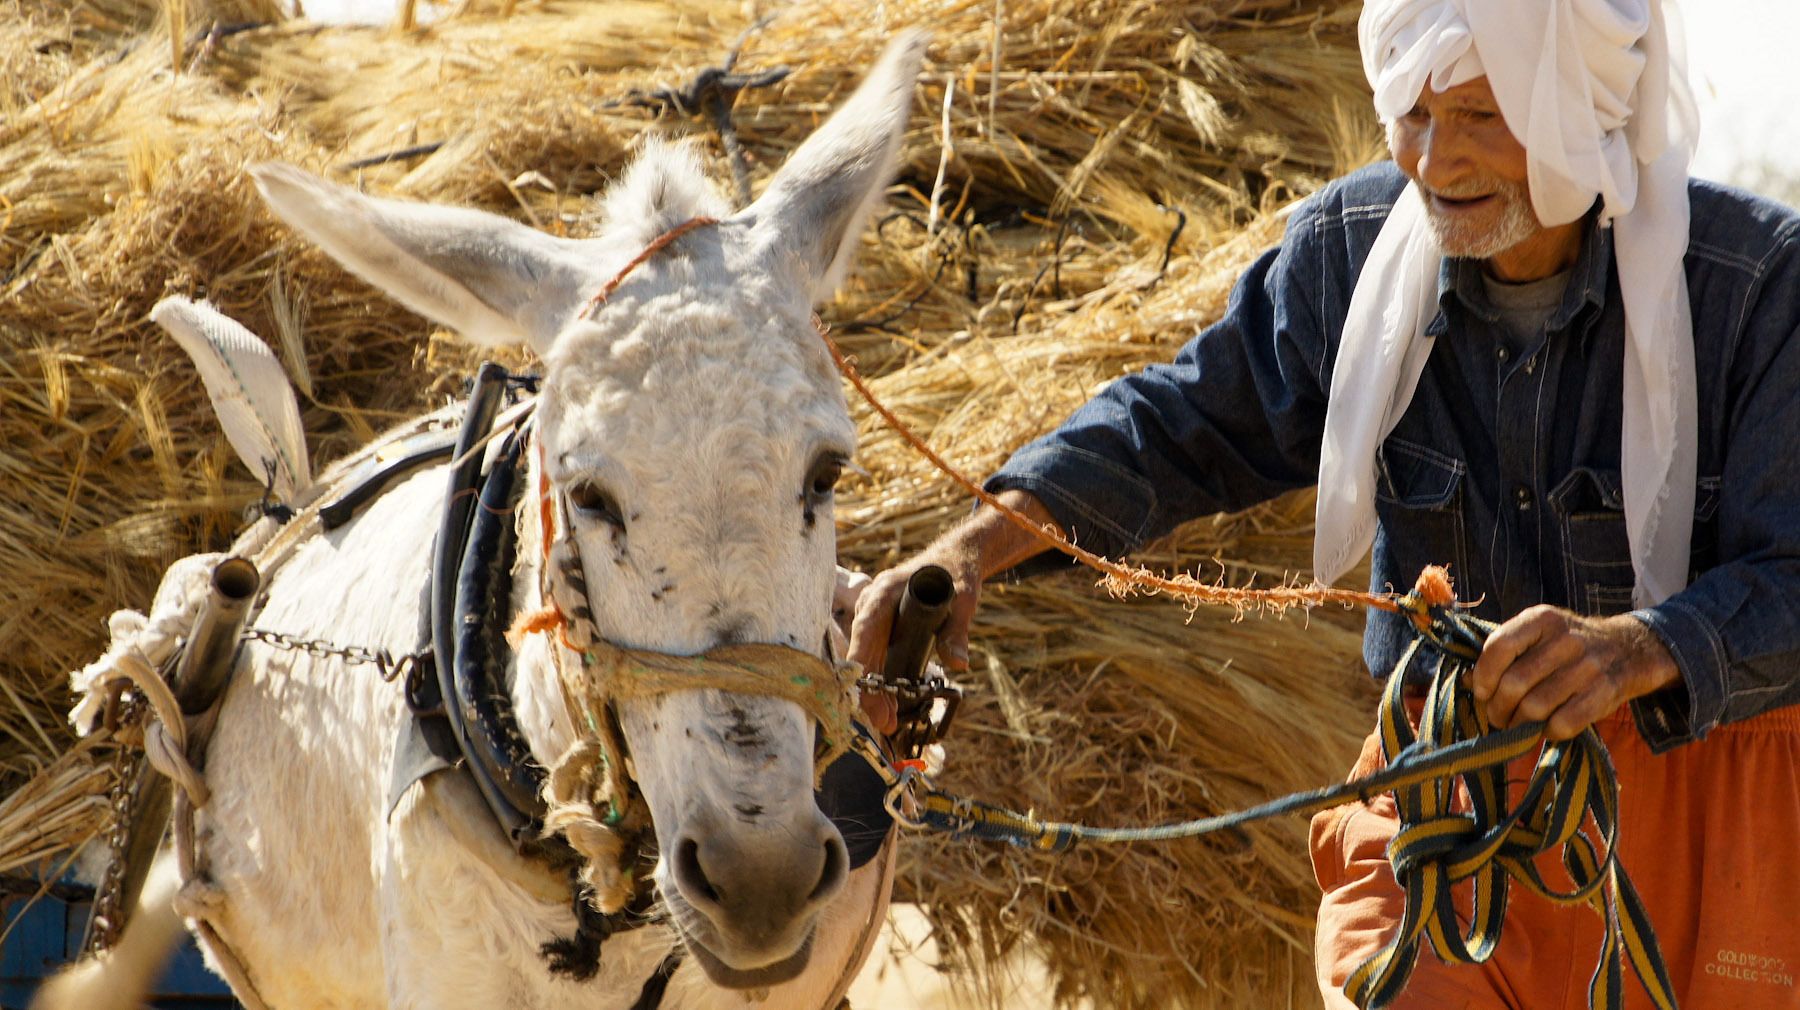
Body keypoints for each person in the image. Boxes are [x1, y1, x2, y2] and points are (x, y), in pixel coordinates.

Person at [847, 1, 1800, 1006]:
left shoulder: (1757, 287)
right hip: (1448, 775)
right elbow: (1178, 424)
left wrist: (1637, 646)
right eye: (1413, 113)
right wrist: (970, 545)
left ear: (1579, 111)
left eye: (1479, 114)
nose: (1435, 160)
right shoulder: (1353, 254)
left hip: (1710, 798)